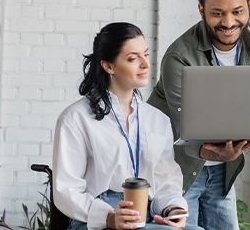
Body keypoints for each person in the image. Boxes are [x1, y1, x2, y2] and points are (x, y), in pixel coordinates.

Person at [147, 0, 250, 230]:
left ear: (249, 6)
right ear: (201, 10)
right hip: (176, 170)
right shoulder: (179, 56)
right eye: (217, 13)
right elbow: (185, 131)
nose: (229, 22)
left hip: (222, 171)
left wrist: (239, 145)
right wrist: (219, 151)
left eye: (238, 11)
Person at [53, 22, 203, 230]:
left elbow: (166, 182)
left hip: (147, 216)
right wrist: (108, 217)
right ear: (108, 66)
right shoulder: (75, 118)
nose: (145, 64)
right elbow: (66, 189)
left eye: (146, 54)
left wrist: (173, 209)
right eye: (133, 58)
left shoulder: (157, 119)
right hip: (97, 220)